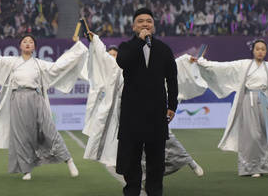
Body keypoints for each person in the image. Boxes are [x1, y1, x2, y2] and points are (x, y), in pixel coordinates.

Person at [0, 32, 86, 180]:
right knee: (21, 135)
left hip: (36, 98)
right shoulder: (12, 62)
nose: (28, 43)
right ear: (20, 46)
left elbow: (60, 66)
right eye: (25, 41)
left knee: (49, 130)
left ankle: (68, 160)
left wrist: (78, 49)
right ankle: (26, 170)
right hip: (17, 99)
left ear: (34, 47)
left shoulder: (39, 64)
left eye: (30, 42)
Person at [82, 32, 204, 177]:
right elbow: (101, 54)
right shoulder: (112, 69)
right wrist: (95, 39)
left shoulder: (134, 65)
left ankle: (190, 161)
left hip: (148, 110)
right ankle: (145, 177)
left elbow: (167, 65)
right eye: (111, 55)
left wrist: (186, 60)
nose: (113, 57)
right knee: (138, 149)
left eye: (115, 54)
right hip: (127, 115)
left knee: (168, 138)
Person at [192, 40, 268, 178]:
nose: (260, 51)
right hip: (248, 101)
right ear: (253, 50)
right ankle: (253, 167)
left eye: (263, 49)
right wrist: (202, 62)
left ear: (266, 51)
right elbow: (223, 67)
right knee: (252, 136)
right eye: (257, 49)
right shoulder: (244, 65)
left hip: (265, 102)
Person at [116, 8, 178, 196]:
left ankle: (155, 193)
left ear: (154, 25)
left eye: (149, 21)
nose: (145, 24)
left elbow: (172, 79)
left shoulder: (164, 49)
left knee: (156, 154)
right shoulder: (126, 47)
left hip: (156, 109)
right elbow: (122, 62)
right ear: (134, 26)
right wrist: (140, 42)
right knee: (131, 153)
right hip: (132, 109)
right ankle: (131, 193)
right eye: (140, 21)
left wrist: (172, 105)